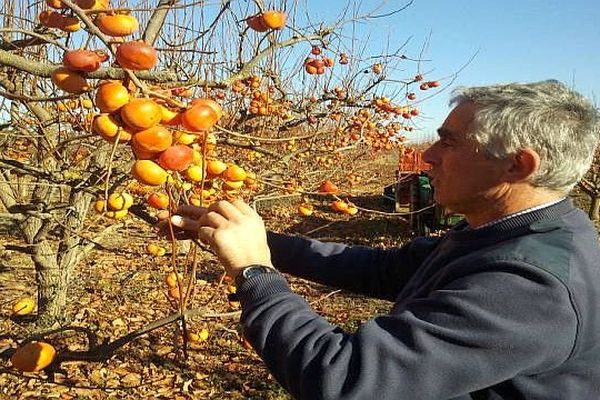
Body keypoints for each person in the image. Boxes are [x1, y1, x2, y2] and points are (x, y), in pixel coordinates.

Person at [168, 80, 600, 400]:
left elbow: (344, 379)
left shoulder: (531, 286)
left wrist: (254, 271)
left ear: (516, 166)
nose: (428, 155)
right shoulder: (506, 234)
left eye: (448, 143)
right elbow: (380, 269)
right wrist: (256, 240)